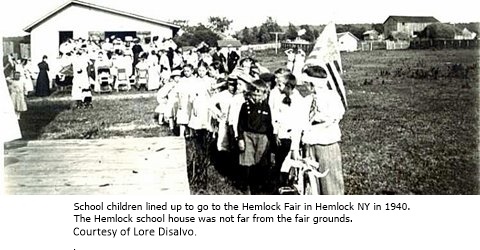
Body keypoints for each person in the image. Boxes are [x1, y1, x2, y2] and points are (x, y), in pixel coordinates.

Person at [300, 65, 346, 195]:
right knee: (312, 181)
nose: (307, 87)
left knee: (330, 181)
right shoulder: (307, 99)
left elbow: (335, 115)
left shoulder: (330, 96)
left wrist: (317, 116)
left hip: (326, 143)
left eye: (308, 84)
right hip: (310, 142)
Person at [269, 72, 307, 192]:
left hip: (293, 135)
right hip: (282, 134)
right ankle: (278, 185)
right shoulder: (280, 98)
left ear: (289, 87)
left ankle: (290, 184)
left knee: (291, 159)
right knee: (280, 161)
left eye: (280, 85)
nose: (278, 87)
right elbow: (277, 117)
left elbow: (299, 123)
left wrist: (295, 143)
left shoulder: (298, 100)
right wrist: (276, 133)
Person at [237, 79, 273, 194]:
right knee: (247, 161)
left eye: (259, 95)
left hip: (262, 137)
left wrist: (270, 139)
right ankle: (246, 186)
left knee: (260, 162)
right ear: (250, 93)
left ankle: (258, 186)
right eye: (254, 94)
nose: (257, 97)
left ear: (264, 95)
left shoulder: (266, 106)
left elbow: (269, 124)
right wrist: (241, 138)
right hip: (248, 135)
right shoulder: (245, 106)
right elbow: (240, 124)